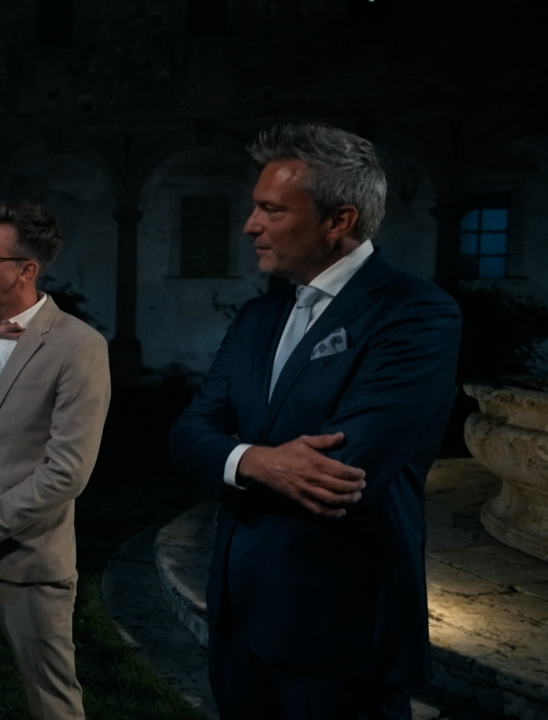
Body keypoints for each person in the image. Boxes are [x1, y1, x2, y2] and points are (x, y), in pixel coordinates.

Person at [169, 123, 462, 719]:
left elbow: (341, 472)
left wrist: (231, 458)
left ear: (339, 220)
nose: (250, 226)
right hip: (237, 619)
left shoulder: (417, 314)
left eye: (272, 210)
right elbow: (188, 432)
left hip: (339, 633)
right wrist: (255, 460)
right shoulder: (258, 316)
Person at [0, 200, 111, 719]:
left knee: (52, 704)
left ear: (27, 270)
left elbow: (67, 471)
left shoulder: (80, 346)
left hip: (30, 559)